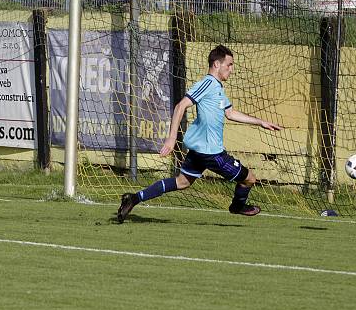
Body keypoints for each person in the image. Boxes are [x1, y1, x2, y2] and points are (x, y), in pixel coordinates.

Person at [117, 45, 282, 223]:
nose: (232, 70)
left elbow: (230, 113)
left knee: (182, 182)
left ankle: (134, 198)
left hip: (199, 151)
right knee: (249, 179)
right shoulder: (207, 83)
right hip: (212, 154)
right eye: (230, 64)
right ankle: (237, 206)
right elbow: (181, 106)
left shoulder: (217, 88)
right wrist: (171, 139)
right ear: (217, 64)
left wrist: (261, 122)